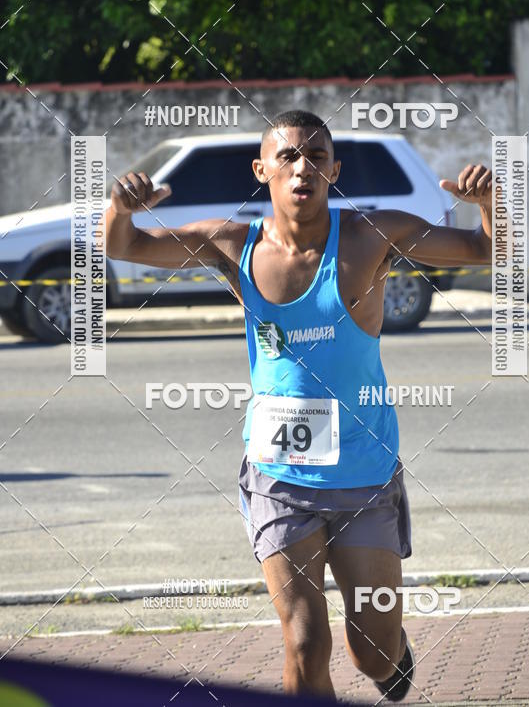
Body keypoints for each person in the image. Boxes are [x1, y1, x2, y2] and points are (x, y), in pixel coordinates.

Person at [105, 110, 493, 701]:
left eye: (316, 156)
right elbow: (126, 245)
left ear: (334, 170)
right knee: (305, 642)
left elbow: (486, 250)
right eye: (287, 156)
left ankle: (390, 654)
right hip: (278, 478)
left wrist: (489, 201)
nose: (302, 167)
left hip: (364, 474)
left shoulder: (370, 234)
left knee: (373, 652)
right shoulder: (234, 243)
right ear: (262, 170)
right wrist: (121, 207)